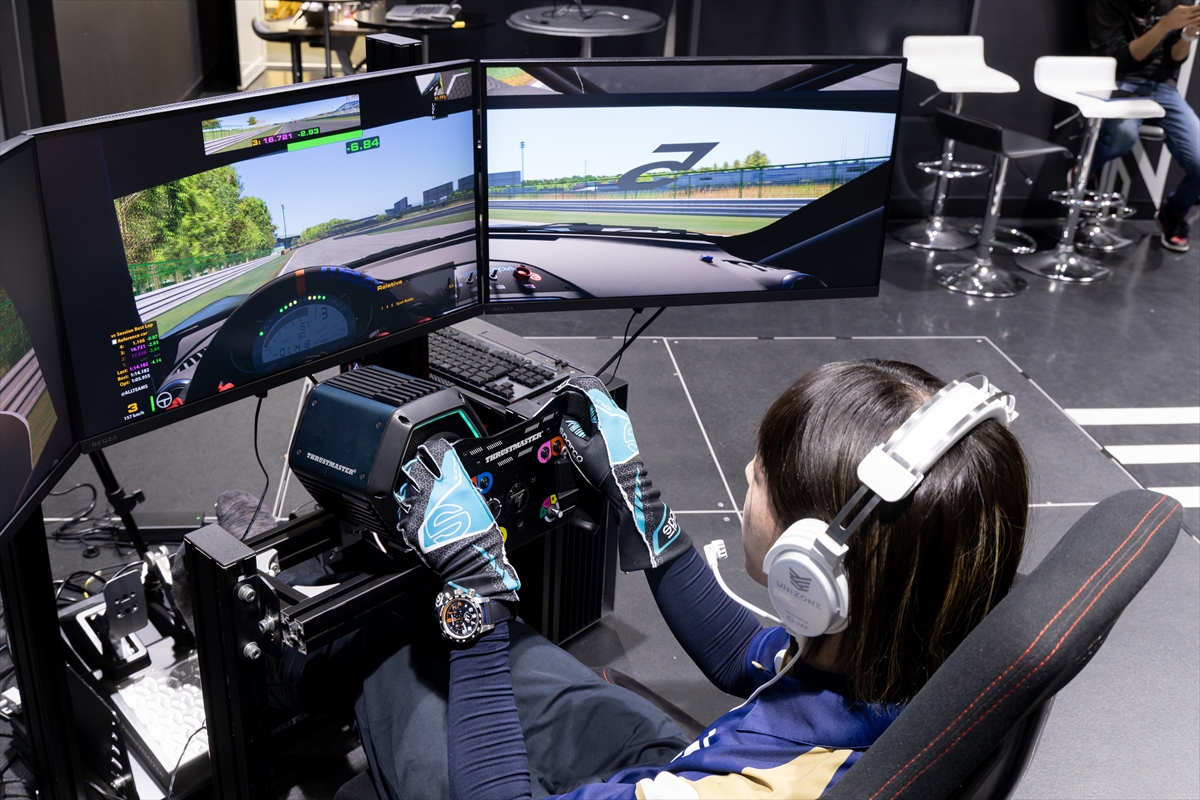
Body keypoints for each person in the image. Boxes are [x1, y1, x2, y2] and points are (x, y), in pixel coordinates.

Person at [263, 360, 1029, 799]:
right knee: (501, 647)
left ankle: (284, 672)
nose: (747, 472)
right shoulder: (910, 645)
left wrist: (475, 597)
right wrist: (641, 502)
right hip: (709, 758)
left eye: (764, 475)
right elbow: (741, 656)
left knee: (399, 650)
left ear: (810, 568)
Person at [1086, 0, 1200, 252]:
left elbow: (1174, 59)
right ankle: (1085, 171)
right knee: (1122, 137)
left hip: (1162, 85)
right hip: (1119, 81)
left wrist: (1188, 35)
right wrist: (1165, 25)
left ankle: (1173, 214)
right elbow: (1119, 60)